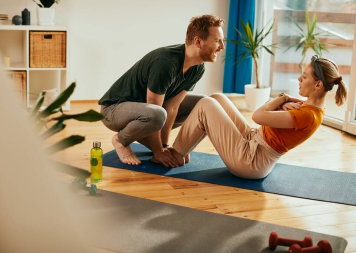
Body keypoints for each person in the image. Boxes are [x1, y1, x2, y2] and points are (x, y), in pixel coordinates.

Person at [170, 55, 347, 179]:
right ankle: (182, 150)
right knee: (216, 98)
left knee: (205, 105)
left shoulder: (308, 116)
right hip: (252, 141)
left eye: (304, 77)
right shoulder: (308, 108)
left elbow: (258, 115)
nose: (299, 80)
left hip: (250, 161)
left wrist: (282, 99)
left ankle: (175, 154)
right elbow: (276, 115)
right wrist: (282, 103)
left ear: (318, 84)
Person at [99, 15, 225, 167]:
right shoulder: (166, 63)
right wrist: (158, 152)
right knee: (157, 114)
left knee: (204, 104)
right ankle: (120, 140)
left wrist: (164, 148)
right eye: (218, 40)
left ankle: (173, 146)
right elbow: (156, 110)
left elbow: (172, 107)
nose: (222, 46)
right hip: (113, 110)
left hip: (146, 114)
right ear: (198, 41)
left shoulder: (198, 68)